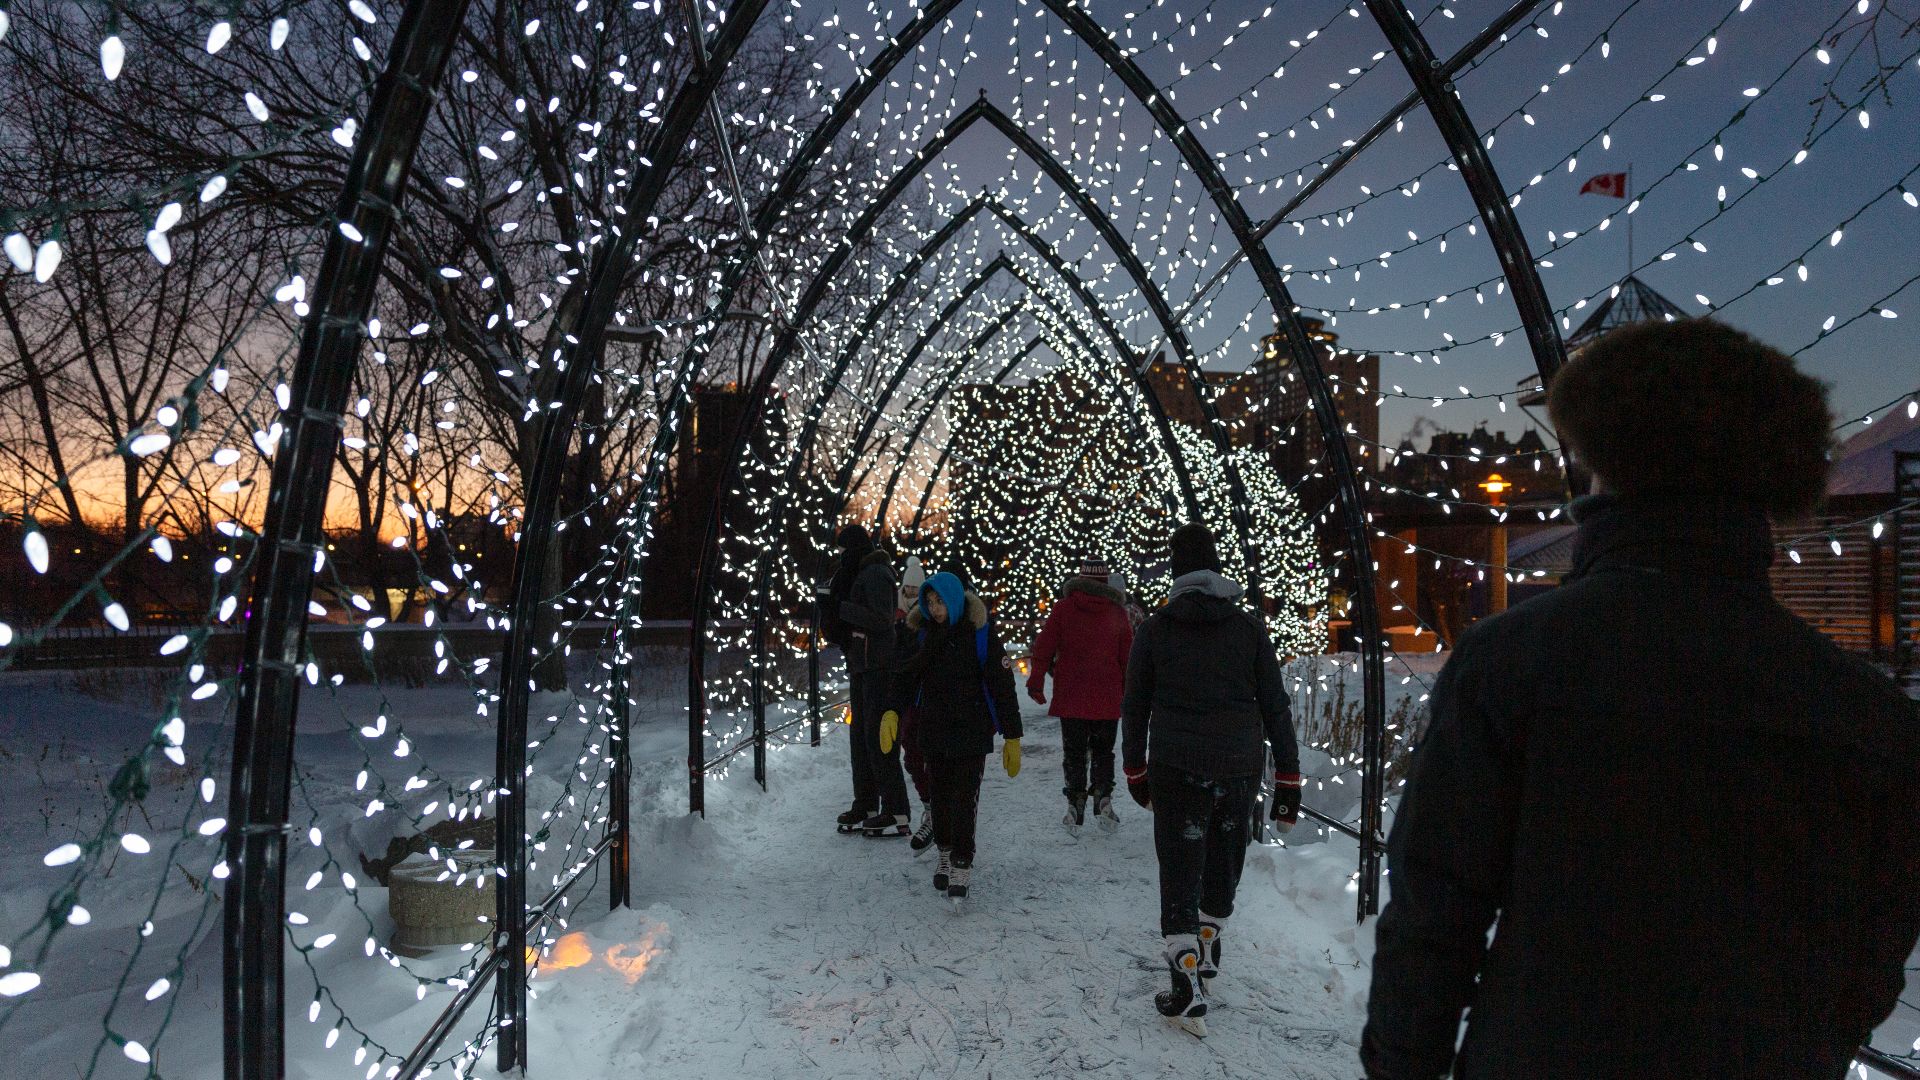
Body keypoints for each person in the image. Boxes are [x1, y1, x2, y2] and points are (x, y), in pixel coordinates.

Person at [1361, 319, 1920, 1079]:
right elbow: (1873, 955)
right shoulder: (1866, 710)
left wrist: (1404, 1063)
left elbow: (1435, 912)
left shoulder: (1515, 660)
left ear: (1599, 460)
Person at [1122, 523, 1300, 1036]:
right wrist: (1287, 776)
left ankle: (1185, 982)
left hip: (1176, 767)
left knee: (1180, 863)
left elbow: (1134, 706)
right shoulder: (1246, 629)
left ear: (1177, 572)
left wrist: (1136, 768)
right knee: (1224, 857)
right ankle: (1209, 934)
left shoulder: (1155, 629)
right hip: (1237, 767)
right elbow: (1275, 705)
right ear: (1216, 568)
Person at [882, 571, 1023, 903]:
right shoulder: (922, 636)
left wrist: (1012, 735)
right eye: (930, 603)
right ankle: (944, 852)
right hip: (934, 731)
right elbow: (905, 677)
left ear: (955, 600)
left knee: (965, 800)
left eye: (940, 601)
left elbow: (1002, 688)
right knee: (940, 798)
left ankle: (961, 861)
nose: (935, 609)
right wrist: (892, 710)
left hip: (971, 733)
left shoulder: (980, 636)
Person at [1027, 557, 1135, 832]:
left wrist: (1036, 680)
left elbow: (1043, 647)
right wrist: (1131, 692)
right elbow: (1128, 658)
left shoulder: (1063, 609)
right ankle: (1103, 797)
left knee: (1074, 752)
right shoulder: (1117, 613)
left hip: (1071, 695)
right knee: (1103, 752)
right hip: (1107, 697)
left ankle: (1075, 802)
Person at [825, 524, 912, 837]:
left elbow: (881, 618)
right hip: (863, 664)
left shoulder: (875, 573)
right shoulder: (863, 571)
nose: (842, 556)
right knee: (861, 739)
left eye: (845, 550)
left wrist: (840, 608)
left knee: (879, 740)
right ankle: (867, 803)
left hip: (878, 665)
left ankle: (896, 810)